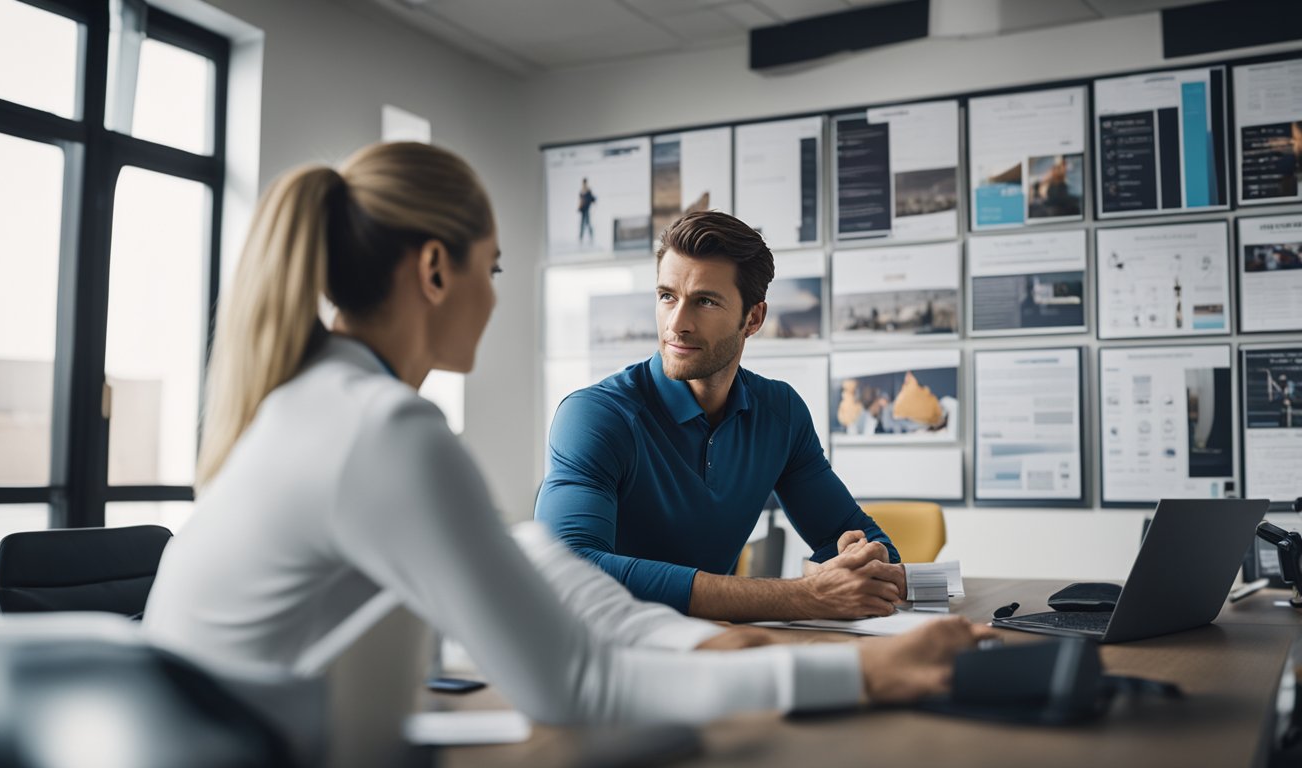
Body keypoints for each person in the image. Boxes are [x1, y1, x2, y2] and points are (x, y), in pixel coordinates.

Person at [143, 142, 988, 731]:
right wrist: (854, 665)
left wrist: (714, 639)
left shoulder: (323, 405)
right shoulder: (382, 429)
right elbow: (575, 679)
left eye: (702, 300)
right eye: (495, 268)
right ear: (438, 270)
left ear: (751, 318)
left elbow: (545, 571)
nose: (497, 295)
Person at [536, 211, 909, 623]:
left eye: (705, 301)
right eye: (667, 296)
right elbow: (568, 571)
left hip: (714, 646)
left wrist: (866, 563)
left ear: (753, 318)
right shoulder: (595, 415)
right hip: (602, 654)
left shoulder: (780, 412)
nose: (677, 324)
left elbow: (858, 536)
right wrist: (803, 595)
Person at [578, 177, 595, 243]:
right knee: (582, 224)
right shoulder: (582, 191)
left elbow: (591, 199)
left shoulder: (588, 190)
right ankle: (581, 237)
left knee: (588, 223)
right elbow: (580, 200)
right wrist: (579, 207)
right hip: (583, 210)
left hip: (587, 209)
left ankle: (591, 236)